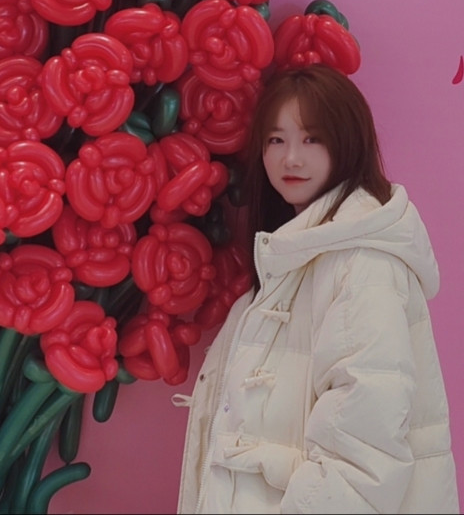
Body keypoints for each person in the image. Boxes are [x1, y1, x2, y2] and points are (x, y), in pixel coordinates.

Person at [174, 63, 459, 514]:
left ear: (347, 143)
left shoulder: (361, 264)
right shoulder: (290, 261)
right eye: (276, 140)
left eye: (312, 139)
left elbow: (364, 463)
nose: (291, 158)